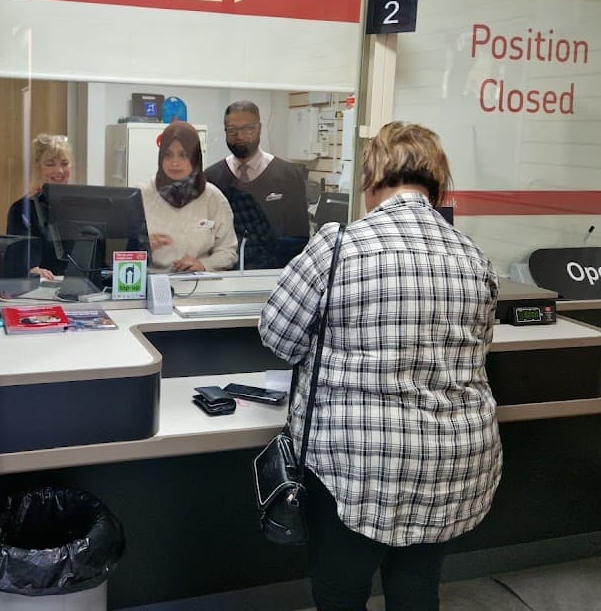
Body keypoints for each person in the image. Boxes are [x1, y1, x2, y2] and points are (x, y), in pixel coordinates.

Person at [258, 121, 501, 611]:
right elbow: (478, 348)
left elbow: (278, 337)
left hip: (358, 467)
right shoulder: (473, 255)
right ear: (437, 185)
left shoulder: (339, 246)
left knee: (340, 591)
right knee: (416, 588)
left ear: (371, 181)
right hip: (451, 465)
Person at [204, 101, 309, 263]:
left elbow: (299, 239)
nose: (239, 136)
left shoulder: (288, 175)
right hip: (224, 274)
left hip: (275, 275)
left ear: (259, 129)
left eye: (248, 128)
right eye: (232, 130)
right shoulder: (211, 178)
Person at [141, 121, 237, 272]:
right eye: (168, 155)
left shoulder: (213, 198)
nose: (174, 162)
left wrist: (205, 265)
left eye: (183, 155)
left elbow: (228, 252)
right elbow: (118, 250)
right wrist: (142, 245)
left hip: (200, 283)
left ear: (195, 157)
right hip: (151, 283)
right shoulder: (142, 193)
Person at [6, 133, 72, 280]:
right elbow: (20, 259)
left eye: (64, 163)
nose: (59, 171)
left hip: (83, 290)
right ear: (37, 168)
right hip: (42, 290)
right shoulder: (22, 209)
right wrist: (31, 269)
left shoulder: (82, 207)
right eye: (50, 164)